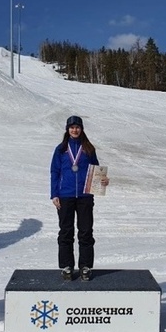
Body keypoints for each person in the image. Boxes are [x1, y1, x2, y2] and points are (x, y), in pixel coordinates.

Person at [50, 115, 109, 281]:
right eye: (71, 127)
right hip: (65, 195)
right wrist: (54, 194)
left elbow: (96, 171)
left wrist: (103, 181)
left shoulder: (88, 149)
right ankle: (67, 267)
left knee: (85, 232)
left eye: (77, 127)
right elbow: (54, 172)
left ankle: (85, 266)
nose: (74, 130)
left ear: (81, 129)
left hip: (85, 196)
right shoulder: (61, 149)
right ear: (67, 130)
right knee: (66, 232)